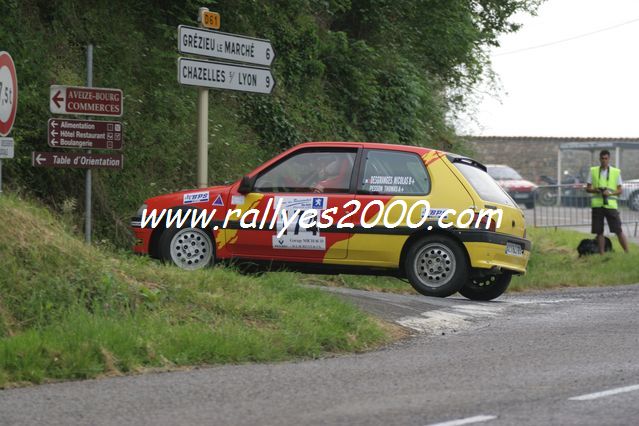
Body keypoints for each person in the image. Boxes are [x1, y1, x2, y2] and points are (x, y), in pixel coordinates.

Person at [585, 149, 629, 254]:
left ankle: (627, 252)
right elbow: (587, 188)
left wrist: (610, 193)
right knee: (599, 231)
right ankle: (601, 253)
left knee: (618, 230)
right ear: (599, 159)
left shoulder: (615, 172)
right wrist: (596, 190)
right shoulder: (593, 171)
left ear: (609, 159)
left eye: (606, 158)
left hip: (611, 206)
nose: (604, 160)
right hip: (597, 205)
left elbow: (620, 190)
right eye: (602, 158)